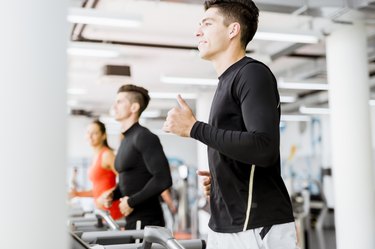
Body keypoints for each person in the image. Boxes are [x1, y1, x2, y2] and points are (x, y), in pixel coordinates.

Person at [163, 0, 298, 248]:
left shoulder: (252, 74)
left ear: (233, 30)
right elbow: (241, 146)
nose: (198, 32)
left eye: (207, 23)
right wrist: (222, 178)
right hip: (225, 224)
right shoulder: (226, 81)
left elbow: (263, 146)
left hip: (256, 225)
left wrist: (194, 128)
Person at [105, 84, 173, 230]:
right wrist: (114, 194)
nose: (114, 106)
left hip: (147, 221)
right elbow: (134, 177)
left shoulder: (144, 137)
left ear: (134, 107)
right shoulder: (126, 139)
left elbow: (163, 179)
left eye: (119, 102)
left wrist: (131, 202)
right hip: (133, 219)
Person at [70, 120, 123, 220]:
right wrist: (77, 194)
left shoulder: (107, 155)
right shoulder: (95, 156)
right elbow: (97, 190)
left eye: (94, 133)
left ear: (103, 136)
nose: (90, 136)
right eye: (88, 132)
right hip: (101, 211)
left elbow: (125, 179)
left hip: (112, 210)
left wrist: (110, 193)